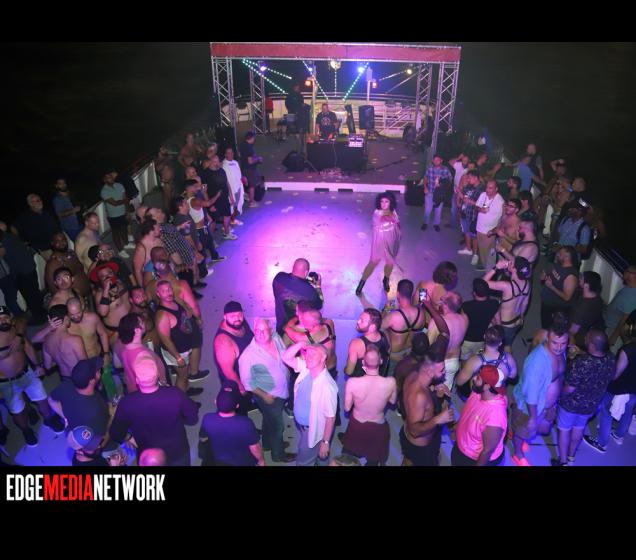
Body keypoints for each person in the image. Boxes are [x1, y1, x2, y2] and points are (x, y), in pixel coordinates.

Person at [109, 354, 198, 466]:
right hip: (177, 453)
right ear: (157, 375)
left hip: (149, 458)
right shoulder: (175, 394)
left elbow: (116, 433)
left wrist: (129, 437)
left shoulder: (127, 403)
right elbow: (192, 418)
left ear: (137, 380)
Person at [0, 306, 65, 446]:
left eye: (5, 317)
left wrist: (37, 365)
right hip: (6, 383)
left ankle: (49, 420)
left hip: (27, 373)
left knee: (43, 399)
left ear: (10, 318)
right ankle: (27, 431)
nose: (2, 321)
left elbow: (28, 346)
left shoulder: (16, 329)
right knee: (18, 411)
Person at [552, 330, 615, 466]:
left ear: (592, 345)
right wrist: (581, 353)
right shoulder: (611, 358)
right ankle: (571, 457)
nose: (585, 339)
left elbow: (569, 388)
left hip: (570, 405)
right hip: (591, 404)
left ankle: (562, 461)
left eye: (587, 338)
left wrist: (557, 393)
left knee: (564, 430)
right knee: (579, 428)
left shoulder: (581, 363)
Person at [510, 321, 569, 466]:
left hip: (547, 405)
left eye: (563, 343)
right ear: (547, 338)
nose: (559, 348)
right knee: (522, 430)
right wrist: (532, 417)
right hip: (529, 408)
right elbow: (530, 393)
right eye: (555, 343)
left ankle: (518, 435)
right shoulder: (536, 361)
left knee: (536, 430)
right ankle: (518, 454)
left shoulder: (561, 352)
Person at [238, 318, 296, 463]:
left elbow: (284, 355)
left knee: (268, 418)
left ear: (271, 331)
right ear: (254, 331)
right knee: (278, 427)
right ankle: (278, 455)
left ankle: (267, 444)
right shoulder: (248, 355)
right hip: (269, 396)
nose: (261, 334)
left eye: (264, 330)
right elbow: (246, 383)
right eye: (258, 330)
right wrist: (264, 396)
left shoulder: (276, 338)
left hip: (282, 391)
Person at [282, 341, 338, 466]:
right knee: (316, 454)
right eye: (307, 354)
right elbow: (286, 357)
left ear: (323, 358)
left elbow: (330, 418)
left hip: (313, 430)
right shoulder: (307, 368)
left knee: (303, 461)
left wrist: (325, 442)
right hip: (304, 427)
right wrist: (301, 344)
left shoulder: (327, 386)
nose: (308, 357)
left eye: (313, 354)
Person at [341, 345, 397, 466]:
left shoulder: (352, 382)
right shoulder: (390, 382)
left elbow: (347, 408)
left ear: (363, 362)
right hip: (377, 426)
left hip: (357, 425)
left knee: (347, 456)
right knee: (373, 459)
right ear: (381, 361)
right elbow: (393, 401)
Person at [585, 330, 636, 452]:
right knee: (628, 411)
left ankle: (601, 443)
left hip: (619, 388)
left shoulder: (628, 349)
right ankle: (619, 436)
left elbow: (616, 374)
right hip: (634, 390)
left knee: (606, 412)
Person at [400, 356, 454, 466]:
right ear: (429, 371)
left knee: (408, 460)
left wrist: (437, 394)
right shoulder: (419, 396)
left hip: (415, 440)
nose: (444, 372)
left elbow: (423, 410)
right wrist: (438, 419)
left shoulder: (413, 376)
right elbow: (414, 431)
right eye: (441, 370)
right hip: (420, 448)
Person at [155, 280, 206, 393]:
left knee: (185, 374)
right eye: (164, 291)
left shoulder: (174, 301)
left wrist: (194, 316)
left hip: (184, 348)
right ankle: (181, 399)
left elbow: (186, 307)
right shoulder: (162, 315)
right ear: (158, 294)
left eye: (169, 289)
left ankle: (186, 391)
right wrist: (178, 357)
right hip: (177, 352)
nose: (168, 293)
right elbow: (166, 340)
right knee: (182, 376)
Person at [452, 365, 508, 466]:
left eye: (478, 378)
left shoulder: (495, 417)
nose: (474, 378)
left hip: (472, 459)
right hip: (463, 446)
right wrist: (457, 429)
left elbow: (487, 451)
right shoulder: (478, 392)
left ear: (487, 386)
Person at [199, 386, 265, 466]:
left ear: (215, 402)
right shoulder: (245, 423)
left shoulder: (207, 418)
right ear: (237, 405)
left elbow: (203, 439)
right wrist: (261, 461)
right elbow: (255, 448)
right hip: (242, 461)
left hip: (219, 460)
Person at [48, 357, 110, 437]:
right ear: (91, 381)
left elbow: (51, 399)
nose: (99, 373)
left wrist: (65, 417)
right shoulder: (97, 407)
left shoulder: (65, 385)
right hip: (89, 436)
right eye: (98, 371)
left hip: (74, 428)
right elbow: (100, 434)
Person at [213, 301, 255, 414]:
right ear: (225, 317)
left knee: (248, 399)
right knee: (240, 407)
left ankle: (249, 402)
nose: (237, 318)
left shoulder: (239, 323)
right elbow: (228, 371)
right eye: (232, 316)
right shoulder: (224, 342)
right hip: (236, 381)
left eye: (239, 314)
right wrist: (241, 388)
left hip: (247, 373)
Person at [355, 192, 401, 295]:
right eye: (382, 201)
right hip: (379, 242)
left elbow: (397, 224)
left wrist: (397, 238)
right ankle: (361, 283)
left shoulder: (393, 212)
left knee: (390, 263)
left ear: (391, 202)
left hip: (390, 241)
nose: (383, 204)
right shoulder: (377, 213)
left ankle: (386, 279)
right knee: (372, 263)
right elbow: (387, 219)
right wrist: (394, 220)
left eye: (386, 201)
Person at [483, 257, 533, 351]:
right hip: (517, 321)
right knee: (508, 344)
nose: (509, 262)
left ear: (514, 269)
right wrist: (521, 316)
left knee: (500, 347)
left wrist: (496, 267)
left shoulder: (506, 286)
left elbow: (482, 283)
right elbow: (525, 304)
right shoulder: (527, 284)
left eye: (511, 262)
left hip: (505, 325)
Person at [0, 228, 47, 324]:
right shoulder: (10, 236)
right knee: (34, 293)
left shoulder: (3, 243)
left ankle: (39, 318)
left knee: (30, 296)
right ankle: (42, 314)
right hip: (29, 267)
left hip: (23, 272)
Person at [456, 326, 517, 399]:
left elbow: (459, 381)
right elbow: (513, 376)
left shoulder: (474, 361)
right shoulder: (509, 359)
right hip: (496, 393)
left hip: (479, 395)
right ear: (500, 343)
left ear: (484, 337)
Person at [382, 279, 426, 374]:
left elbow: (379, 328)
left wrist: (386, 310)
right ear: (411, 294)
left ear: (398, 294)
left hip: (394, 356)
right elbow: (421, 328)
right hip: (409, 354)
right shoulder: (421, 313)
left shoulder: (393, 316)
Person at [117, 312, 168, 393]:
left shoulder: (123, 349)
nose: (144, 323)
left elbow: (117, 365)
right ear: (137, 330)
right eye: (141, 322)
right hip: (152, 391)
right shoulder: (144, 355)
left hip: (135, 392)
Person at [427, 291, 468, 390]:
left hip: (439, 364)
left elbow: (428, 346)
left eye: (441, 300)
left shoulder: (435, 323)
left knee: (431, 392)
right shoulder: (464, 318)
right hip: (454, 362)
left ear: (445, 305)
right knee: (446, 390)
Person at [272, 258, 323, 335]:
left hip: (280, 330)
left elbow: (292, 282)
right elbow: (320, 304)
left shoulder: (278, 278)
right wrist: (318, 287)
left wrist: (304, 281)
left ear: (293, 267)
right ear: (306, 272)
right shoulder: (310, 291)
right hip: (296, 333)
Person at [41, 304, 87, 381]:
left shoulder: (46, 341)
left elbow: (48, 366)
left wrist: (60, 359)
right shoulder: (75, 340)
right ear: (66, 318)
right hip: (80, 377)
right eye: (69, 315)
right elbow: (85, 365)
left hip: (65, 378)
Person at [460, 278, 500, 360]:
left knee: (465, 360)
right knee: (477, 360)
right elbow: (498, 323)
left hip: (467, 340)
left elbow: (462, 325)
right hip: (483, 339)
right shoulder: (494, 304)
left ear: (474, 293)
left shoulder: (466, 306)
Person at [540, 246, 579, 329]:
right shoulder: (559, 265)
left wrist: (552, 287)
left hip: (556, 308)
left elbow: (567, 297)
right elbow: (548, 277)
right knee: (545, 326)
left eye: (560, 254)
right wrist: (543, 276)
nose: (557, 255)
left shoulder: (571, 275)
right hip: (547, 304)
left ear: (567, 257)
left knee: (551, 329)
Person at [45, 232, 91, 300]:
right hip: (75, 301)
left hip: (88, 295)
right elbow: (53, 289)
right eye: (58, 241)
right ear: (52, 243)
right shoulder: (53, 264)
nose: (61, 243)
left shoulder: (71, 254)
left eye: (63, 240)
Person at [345, 308, 391, 378]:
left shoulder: (356, 344)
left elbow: (349, 371)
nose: (358, 322)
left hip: (360, 383)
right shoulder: (386, 335)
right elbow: (387, 356)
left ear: (372, 327)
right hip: (379, 380)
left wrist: (345, 369)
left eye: (362, 320)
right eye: (359, 318)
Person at [94, 262, 131, 342]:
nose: (107, 277)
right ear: (99, 280)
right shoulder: (100, 294)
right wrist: (106, 289)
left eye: (109, 273)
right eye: (103, 276)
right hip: (117, 333)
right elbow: (103, 313)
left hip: (132, 326)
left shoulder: (121, 284)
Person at [569, 271, 605, 351]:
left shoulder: (583, 307)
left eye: (582, 278)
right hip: (587, 335)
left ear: (586, 285)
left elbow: (573, 330)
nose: (579, 279)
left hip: (578, 341)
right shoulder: (597, 298)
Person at [202, 155, 236, 240]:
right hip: (213, 201)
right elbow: (204, 191)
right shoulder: (205, 174)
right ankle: (211, 241)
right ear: (210, 162)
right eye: (214, 162)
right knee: (213, 221)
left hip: (224, 198)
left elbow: (227, 183)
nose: (217, 163)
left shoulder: (221, 170)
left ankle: (226, 233)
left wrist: (231, 196)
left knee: (227, 215)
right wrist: (210, 205)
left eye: (218, 161)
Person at [474, 180, 505, 271]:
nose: (487, 190)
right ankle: (485, 268)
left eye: (490, 188)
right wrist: (480, 209)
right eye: (487, 187)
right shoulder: (483, 195)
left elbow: (502, 219)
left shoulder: (500, 201)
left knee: (489, 253)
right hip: (479, 228)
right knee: (482, 250)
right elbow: (476, 206)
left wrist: (494, 231)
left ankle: (490, 271)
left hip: (489, 232)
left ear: (496, 189)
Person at [605, 265, 636, 347]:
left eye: (627, 271)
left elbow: (626, 318)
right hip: (608, 323)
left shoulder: (633, 296)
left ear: (633, 276)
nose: (624, 272)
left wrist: (614, 336)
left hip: (611, 329)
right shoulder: (629, 287)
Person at [421, 154, 452, 232]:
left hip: (440, 193)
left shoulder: (445, 169)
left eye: (438, 160)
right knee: (428, 209)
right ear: (432, 161)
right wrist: (425, 187)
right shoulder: (430, 169)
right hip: (430, 191)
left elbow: (450, 180)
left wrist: (441, 184)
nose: (436, 161)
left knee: (438, 210)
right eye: (434, 160)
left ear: (441, 161)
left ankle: (436, 224)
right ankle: (425, 222)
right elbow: (425, 178)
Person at [456, 170, 483, 261]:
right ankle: (468, 249)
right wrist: (459, 193)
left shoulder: (482, 189)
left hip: (474, 216)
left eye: (469, 178)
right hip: (465, 212)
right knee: (466, 231)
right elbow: (464, 196)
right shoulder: (469, 186)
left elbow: (484, 205)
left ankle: (475, 254)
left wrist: (470, 201)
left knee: (474, 236)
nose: (467, 180)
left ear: (476, 178)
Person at [100, 171, 129, 255]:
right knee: (116, 232)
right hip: (113, 216)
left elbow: (125, 198)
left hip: (123, 213)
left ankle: (126, 244)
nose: (111, 178)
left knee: (124, 229)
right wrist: (124, 201)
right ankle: (120, 250)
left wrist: (127, 211)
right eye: (109, 177)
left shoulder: (119, 185)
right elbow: (114, 203)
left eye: (111, 176)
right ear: (105, 180)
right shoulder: (104, 191)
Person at [133, 218, 165, 287]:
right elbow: (137, 271)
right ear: (151, 231)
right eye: (158, 228)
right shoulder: (141, 248)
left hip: (163, 274)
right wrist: (143, 288)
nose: (160, 229)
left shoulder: (159, 241)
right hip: (151, 280)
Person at [239, 131, 263, 208]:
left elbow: (240, 155)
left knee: (248, 184)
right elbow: (250, 161)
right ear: (252, 138)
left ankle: (247, 195)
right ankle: (251, 202)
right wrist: (258, 159)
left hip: (244, 168)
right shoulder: (249, 147)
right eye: (254, 138)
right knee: (252, 186)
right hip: (250, 169)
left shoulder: (242, 144)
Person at [222, 147, 245, 226]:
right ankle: (227, 224)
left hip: (238, 187)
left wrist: (243, 179)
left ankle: (232, 220)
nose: (230, 154)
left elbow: (239, 173)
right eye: (228, 153)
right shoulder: (224, 165)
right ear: (225, 154)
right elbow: (225, 180)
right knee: (230, 206)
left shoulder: (235, 162)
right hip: (230, 189)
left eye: (231, 152)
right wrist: (230, 193)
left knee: (237, 205)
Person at [448, 152, 471, 228]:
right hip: (456, 191)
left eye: (466, 160)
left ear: (468, 161)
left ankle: (463, 226)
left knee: (463, 210)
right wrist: (458, 158)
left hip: (465, 193)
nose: (464, 162)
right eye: (463, 160)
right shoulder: (459, 165)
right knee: (453, 209)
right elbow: (450, 162)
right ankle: (453, 225)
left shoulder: (469, 169)